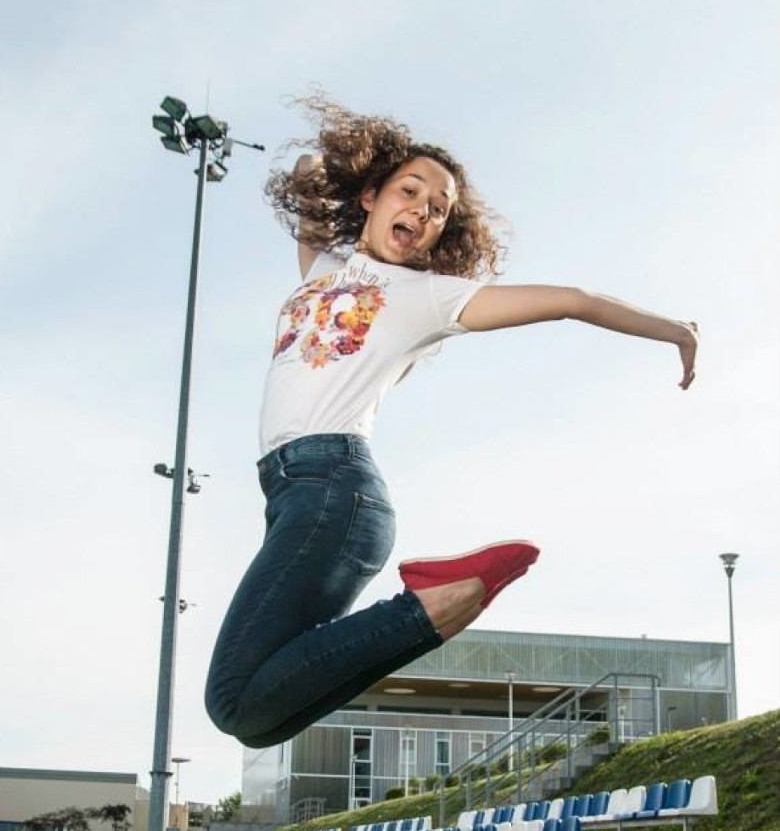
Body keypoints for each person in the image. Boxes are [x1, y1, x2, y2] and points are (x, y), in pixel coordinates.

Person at [205, 95, 698, 750]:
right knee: (256, 715)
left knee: (229, 697)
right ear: (373, 196)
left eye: (438, 209)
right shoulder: (323, 269)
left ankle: (433, 603)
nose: (422, 210)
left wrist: (678, 330)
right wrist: (347, 160)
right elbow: (305, 175)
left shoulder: (428, 297)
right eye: (409, 192)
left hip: (334, 486)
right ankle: (437, 603)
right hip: (297, 493)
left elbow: (573, 301)